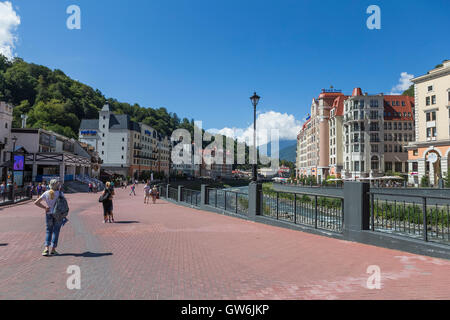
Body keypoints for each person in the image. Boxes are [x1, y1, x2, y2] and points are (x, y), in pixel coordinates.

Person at [34, 179, 66, 256]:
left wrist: (45, 207)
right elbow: (64, 204)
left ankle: (46, 249)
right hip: (58, 214)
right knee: (56, 231)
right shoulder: (60, 193)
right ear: (57, 185)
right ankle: (53, 249)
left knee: (48, 230)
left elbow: (36, 202)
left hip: (48, 213)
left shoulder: (46, 193)